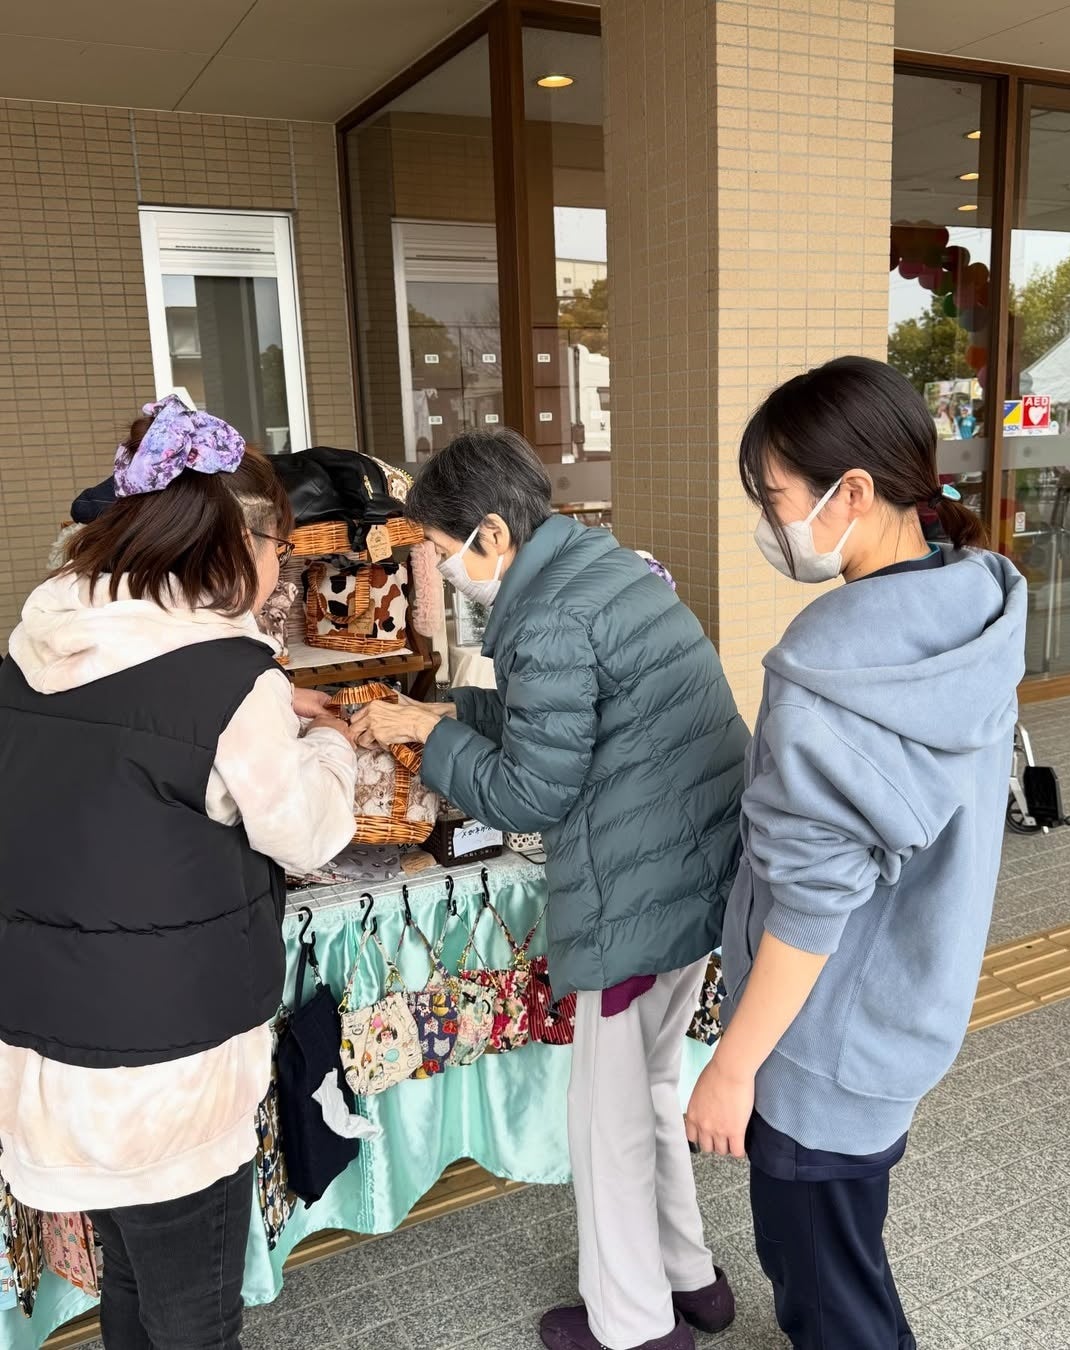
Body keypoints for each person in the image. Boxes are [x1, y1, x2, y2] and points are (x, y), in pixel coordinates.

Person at [350, 428, 749, 1350]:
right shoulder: (596, 569)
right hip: (690, 870)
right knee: (651, 1091)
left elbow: (531, 792)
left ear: (491, 534)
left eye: (442, 552)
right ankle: (690, 1282)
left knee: (607, 1122)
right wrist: (444, 710)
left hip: (634, 891)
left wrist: (430, 738)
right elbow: (561, 716)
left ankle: (635, 1328)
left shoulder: (548, 618)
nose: (444, 574)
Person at [0, 396, 362, 1350]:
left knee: (130, 1274)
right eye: (284, 548)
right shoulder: (231, 678)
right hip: (166, 1070)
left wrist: (274, 711)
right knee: (197, 1315)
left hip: (48, 1047)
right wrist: (328, 744)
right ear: (237, 542)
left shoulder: (35, 648)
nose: (283, 569)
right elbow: (309, 833)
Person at [684, 356, 1027, 1349]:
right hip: (903, 1008)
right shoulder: (970, 606)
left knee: (828, 1296)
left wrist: (732, 1069)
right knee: (845, 1255)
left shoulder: (835, 671)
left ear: (854, 493)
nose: (770, 522)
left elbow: (810, 907)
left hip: (819, 1047)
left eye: (776, 497)